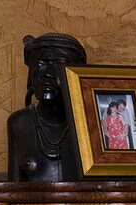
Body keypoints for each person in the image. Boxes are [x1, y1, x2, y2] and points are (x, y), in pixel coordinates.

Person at [7, 32, 87, 182]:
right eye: (40, 65)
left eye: (59, 65)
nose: (48, 74)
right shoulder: (19, 123)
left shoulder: (89, 124)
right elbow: (13, 191)